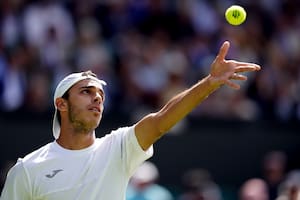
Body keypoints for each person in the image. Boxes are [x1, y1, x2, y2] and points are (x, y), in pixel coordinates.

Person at [0, 41, 260, 200]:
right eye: (86, 92)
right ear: (61, 104)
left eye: (100, 94)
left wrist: (209, 83)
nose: (97, 99)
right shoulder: (27, 170)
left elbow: (161, 121)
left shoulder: (118, 148)